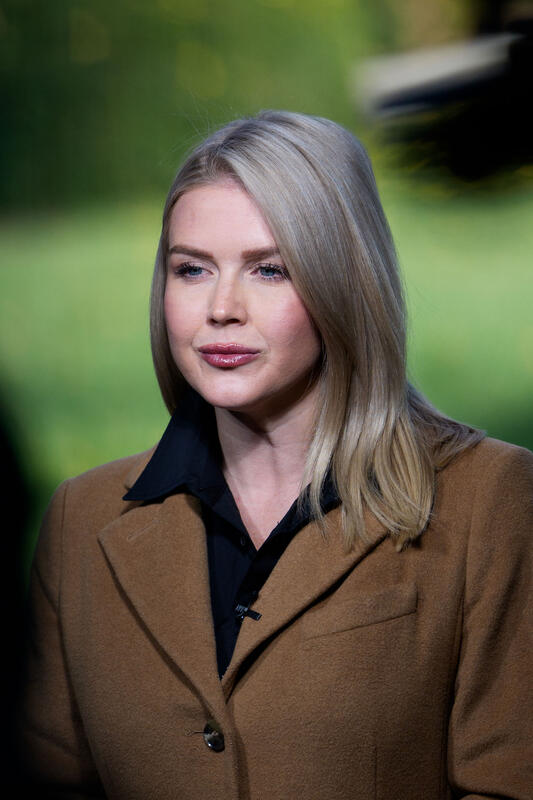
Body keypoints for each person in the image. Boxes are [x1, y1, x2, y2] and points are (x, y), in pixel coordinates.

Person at [19, 111, 532, 799]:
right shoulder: (80, 519)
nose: (221, 308)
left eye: (269, 270)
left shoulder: (489, 497)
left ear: (343, 285)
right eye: (192, 269)